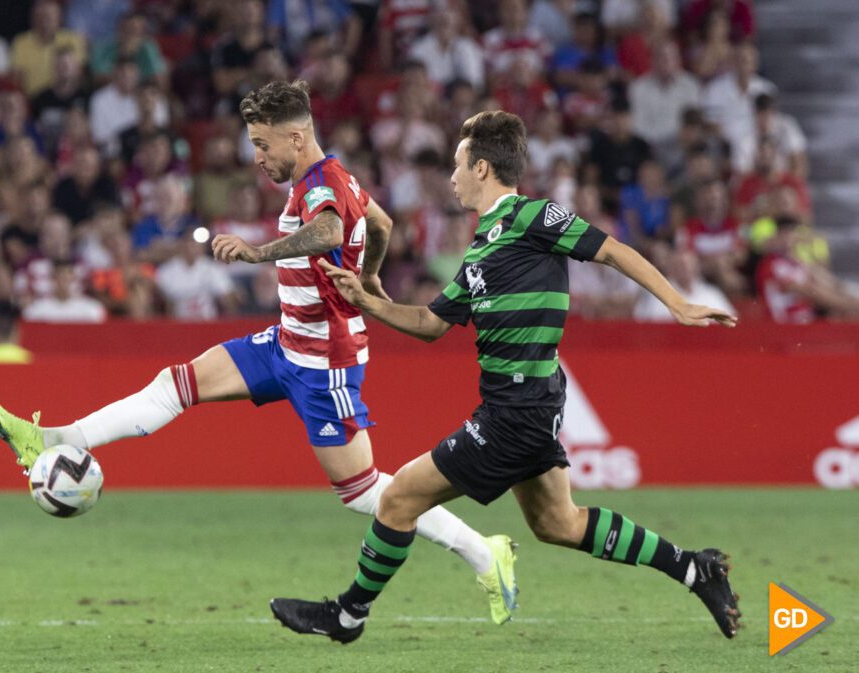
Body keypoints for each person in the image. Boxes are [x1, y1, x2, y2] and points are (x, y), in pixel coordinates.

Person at [0, 80, 520, 624]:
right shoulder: (335, 175)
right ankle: (50, 439)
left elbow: (331, 227)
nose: (257, 157)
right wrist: (370, 276)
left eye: (264, 145)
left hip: (323, 363)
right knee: (177, 384)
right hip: (288, 340)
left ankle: (485, 552)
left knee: (361, 491)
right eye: (253, 145)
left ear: (296, 135)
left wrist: (260, 252)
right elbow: (380, 224)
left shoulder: (322, 183)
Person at [268, 110, 742, 644]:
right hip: (528, 405)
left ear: (483, 168)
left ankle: (347, 616)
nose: (451, 177)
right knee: (557, 523)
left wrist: (677, 304)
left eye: (457, 165)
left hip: (515, 413)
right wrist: (365, 300)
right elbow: (429, 323)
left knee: (399, 498)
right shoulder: (484, 244)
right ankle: (694, 568)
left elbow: (611, 250)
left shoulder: (532, 217)